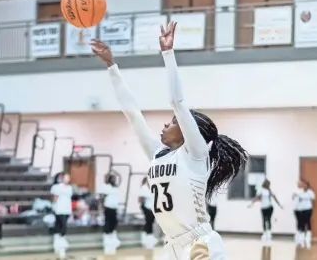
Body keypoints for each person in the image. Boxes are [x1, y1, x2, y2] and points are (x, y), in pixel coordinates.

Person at [91, 21, 249, 260]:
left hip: (200, 244)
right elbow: (132, 113)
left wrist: (168, 53)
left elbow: (177, 102)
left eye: (173, 122)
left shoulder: (195, 154)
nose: (166, 125)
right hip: (171, 248)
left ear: (188, 130)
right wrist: (112, 67)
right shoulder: (157, 153)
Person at [248, 179, 283, 245]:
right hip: (263, 207)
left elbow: (275, 198)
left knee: (268, 219)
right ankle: (264, 233)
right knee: (264, 220)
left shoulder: (270, 191)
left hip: (269, 207)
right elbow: (257, 198)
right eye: (268, 184)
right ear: (265, 184)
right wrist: (251, 204)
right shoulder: (261, 190)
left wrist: (280, 205)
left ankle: (269, 233)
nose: (269, 185)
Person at [50, 172, 73, 258]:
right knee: (63, 226)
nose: (67, 179)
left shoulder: (70, 188)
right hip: (59, 209)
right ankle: (62, 246)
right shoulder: (56, 187)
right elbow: (54, 198)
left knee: (58, 226)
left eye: (69, 178)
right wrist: (54, 207)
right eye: (66, 177)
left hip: (67, 209)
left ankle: (56, 245)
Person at [98, 173, 121, 254]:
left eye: (114, 179)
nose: (113, 180)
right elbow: (101, 197)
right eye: (112, 178)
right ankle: (107, 239)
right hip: (108, 207)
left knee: (114, 222)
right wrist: (101, 207)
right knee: (107, 222)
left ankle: (112, 238)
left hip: (114, 207)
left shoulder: (116, 187)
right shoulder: (105, 186)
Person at [293, 180, 315, 248]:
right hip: (301, 209)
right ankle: (301, 238)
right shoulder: (300, 191)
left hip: (308, 209)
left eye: (306, 185)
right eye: (303, 185)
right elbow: (295, 197)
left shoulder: (310, 192)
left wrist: (303, 197)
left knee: (308, 222)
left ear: (308, 186)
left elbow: (312, 198)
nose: (304, 186)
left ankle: (308, 237)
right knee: (301, 223)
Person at [138, 177, 157, 249]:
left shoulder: (152, 187)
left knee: (150, 222)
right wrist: (144, 206)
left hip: (152, 208)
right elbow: (140, 199)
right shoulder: (144, 188)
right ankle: (149, 237)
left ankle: (145, 237)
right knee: (149, 222)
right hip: (146, 207)